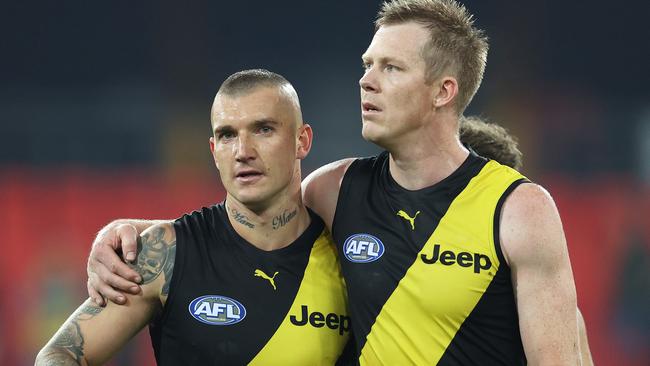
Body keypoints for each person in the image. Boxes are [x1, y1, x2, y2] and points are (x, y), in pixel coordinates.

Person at [87, 0, 585, 364]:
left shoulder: (520, 209)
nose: (366, 81)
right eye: (367, 65)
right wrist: (126, 233)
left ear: (443, 91)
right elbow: (248, 220)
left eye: (391, 68)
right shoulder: (337, 189)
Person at [36, 70, 351, 365]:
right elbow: (60, 352)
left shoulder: (348, 259)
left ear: (302, 140)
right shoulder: (166, 255)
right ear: (214, 151)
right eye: (227, 135)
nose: (243, 150)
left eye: (263, 129)